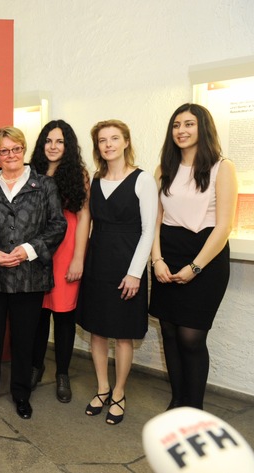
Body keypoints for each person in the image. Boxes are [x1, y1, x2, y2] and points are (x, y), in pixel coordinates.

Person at [0, 126, 67, 421]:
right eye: (4, 150)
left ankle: (22, 395)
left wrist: (29, 249)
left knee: (24, 341)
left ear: (24, 150)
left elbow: (57, 225)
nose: (11, 155)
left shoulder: (44, 185)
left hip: (29, 276)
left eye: (16, 149)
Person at [149, 104, 237, 410]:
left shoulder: (222, 167)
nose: (181, 130)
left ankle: (194, 409)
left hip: (206, 256)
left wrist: (196, 267)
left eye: (189, 124)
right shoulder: (164, 168)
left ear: (203, 128)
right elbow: (155, 221)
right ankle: (177, 401)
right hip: (168, 252)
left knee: (191, 338)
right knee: (170, 333)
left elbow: (224, 226)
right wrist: (157, 260)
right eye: (176, 125)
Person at [76, 119, 157, 425]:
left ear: (126, 142)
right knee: (97, 330)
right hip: (98, 264)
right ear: (98, 147)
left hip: (127, 265)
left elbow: (149, 230)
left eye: (114, 138)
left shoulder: (142, 180)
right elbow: (87, 223)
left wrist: (135, 273)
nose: (108, 144)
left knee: (123, 335)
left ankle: (119, 393)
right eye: (102, 140)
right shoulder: (94, 180)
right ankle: (101, 388)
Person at [29, 120, 90, 403]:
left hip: (66, 250)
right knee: (38, 314)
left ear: (68, 146)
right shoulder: (31, 172)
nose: (53, 147)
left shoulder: (78, 174)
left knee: (64, 315)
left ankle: (62, 373)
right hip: (37, 250)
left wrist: (79, 257)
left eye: (60, 142)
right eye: (48, 141)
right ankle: (35, 366)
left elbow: (84, 216)